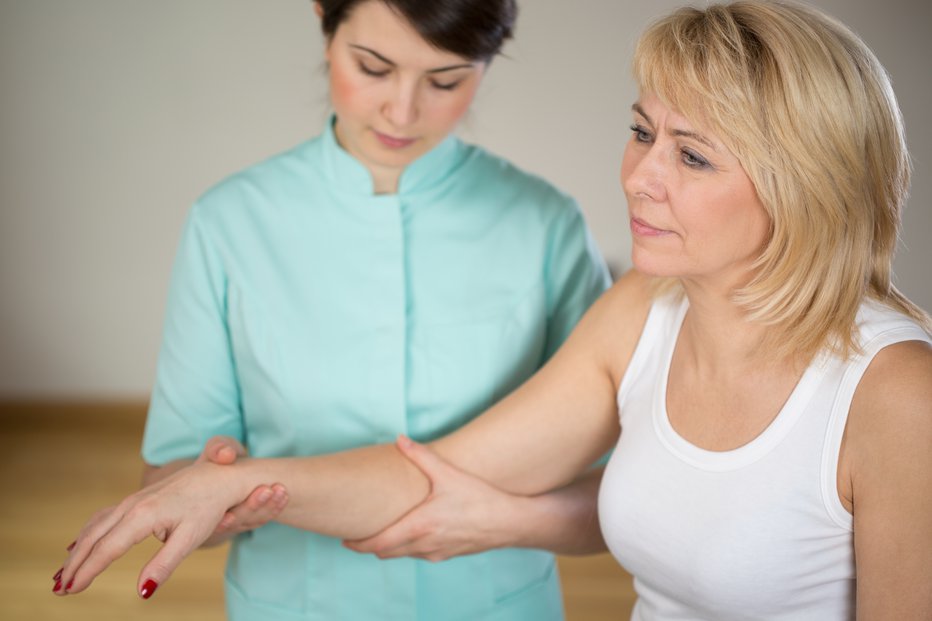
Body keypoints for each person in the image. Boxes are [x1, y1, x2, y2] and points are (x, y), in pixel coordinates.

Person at [56, 1, 932, 619]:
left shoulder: (896, 396)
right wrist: (223, 485)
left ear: (807, 182)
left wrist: (504, 520)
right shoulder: (643, 309)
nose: (639, 177)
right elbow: (439, 473)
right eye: (640, 133)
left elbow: (621, 493)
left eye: (691, 156)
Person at [51, 1, 612, 620]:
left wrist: (505, 520)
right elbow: (175, 484)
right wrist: (221, 502)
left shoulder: (546, 225)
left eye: (446, 80)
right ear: (324, 19)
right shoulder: (229, 225)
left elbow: (617, 498)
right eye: (373, 68)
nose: (402, 111)